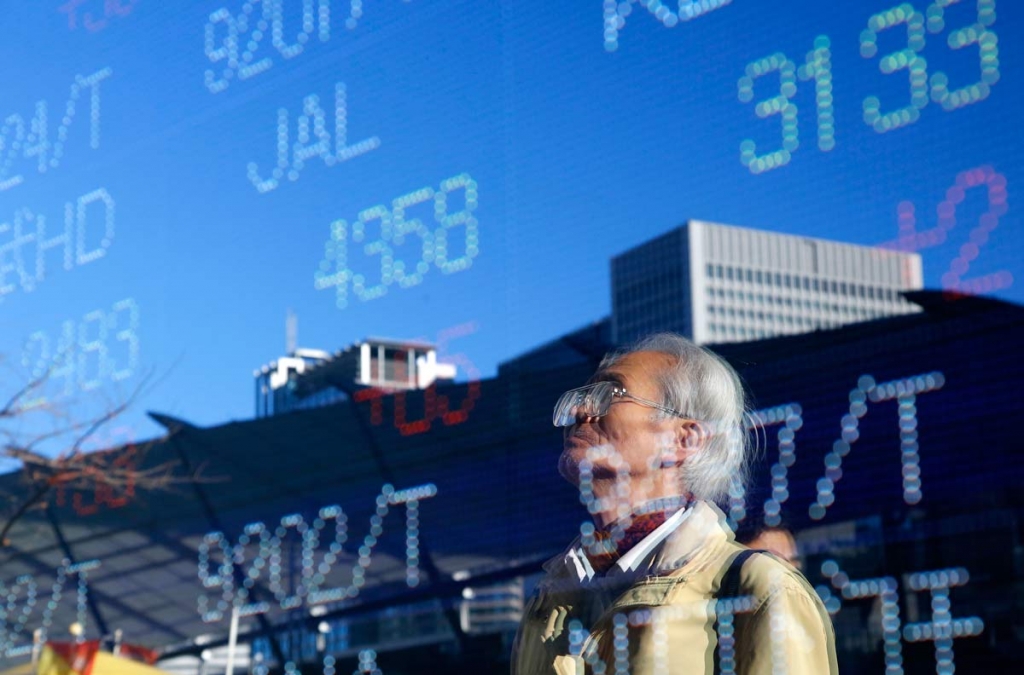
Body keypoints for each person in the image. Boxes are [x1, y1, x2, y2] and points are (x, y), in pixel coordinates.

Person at [511, 333, 837, 675]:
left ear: (684, 439)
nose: (580, 410)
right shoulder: (548, 603)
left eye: (611, 393)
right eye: (584, 396)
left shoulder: (760, 588)